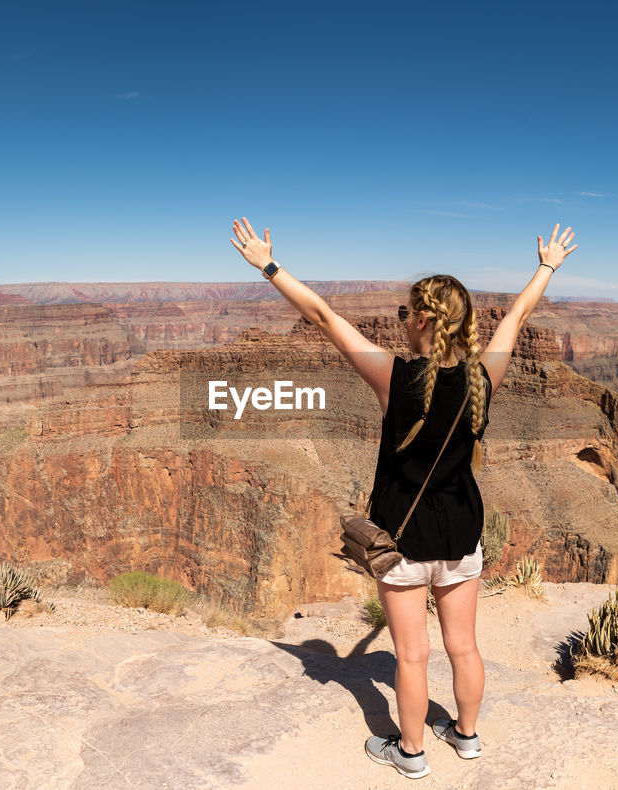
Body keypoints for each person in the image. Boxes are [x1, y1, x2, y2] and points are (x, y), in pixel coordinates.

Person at [230, 216, 576, 780]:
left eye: (402, 315)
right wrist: (546, 267)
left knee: (411, 655)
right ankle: (466, 737)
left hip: (405, 543)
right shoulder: (483, 377)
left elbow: (322, 317)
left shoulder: (393, 376)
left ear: (420, 321)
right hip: (462, 533)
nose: (400, 324)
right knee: (463, 645)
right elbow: (517, 316)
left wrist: (268, 265)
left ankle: (410, 752)